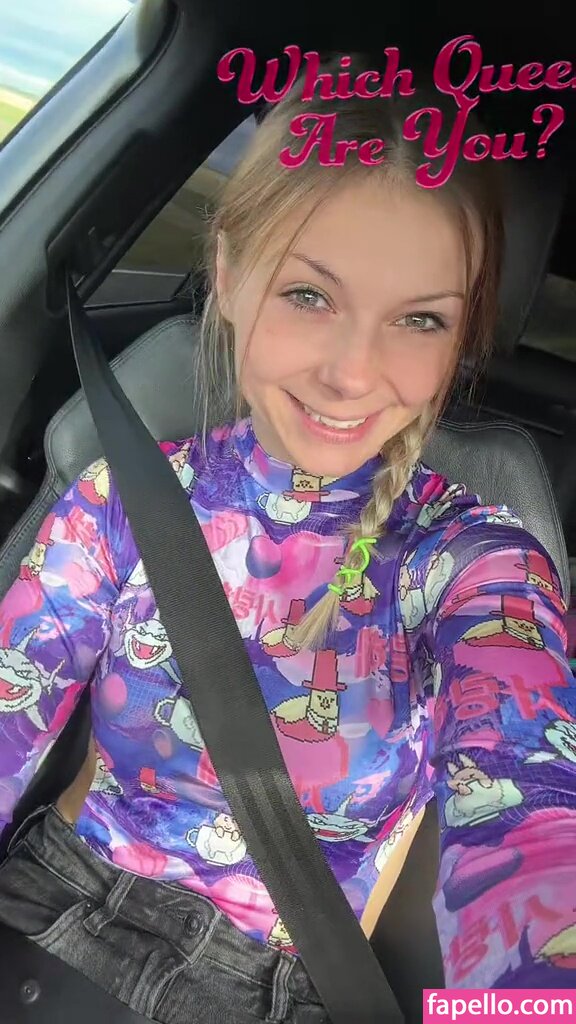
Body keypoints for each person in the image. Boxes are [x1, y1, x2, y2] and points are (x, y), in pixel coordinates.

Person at [0, 53, 575, 1023]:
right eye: (311, 295)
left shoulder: (476, 564)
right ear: (229, 275)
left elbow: (531, 816)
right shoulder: (119, 502)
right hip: (49, 908)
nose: (353, 372)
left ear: (459, 340)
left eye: (419, 319)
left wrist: (524, 1006)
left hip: (265, 990)